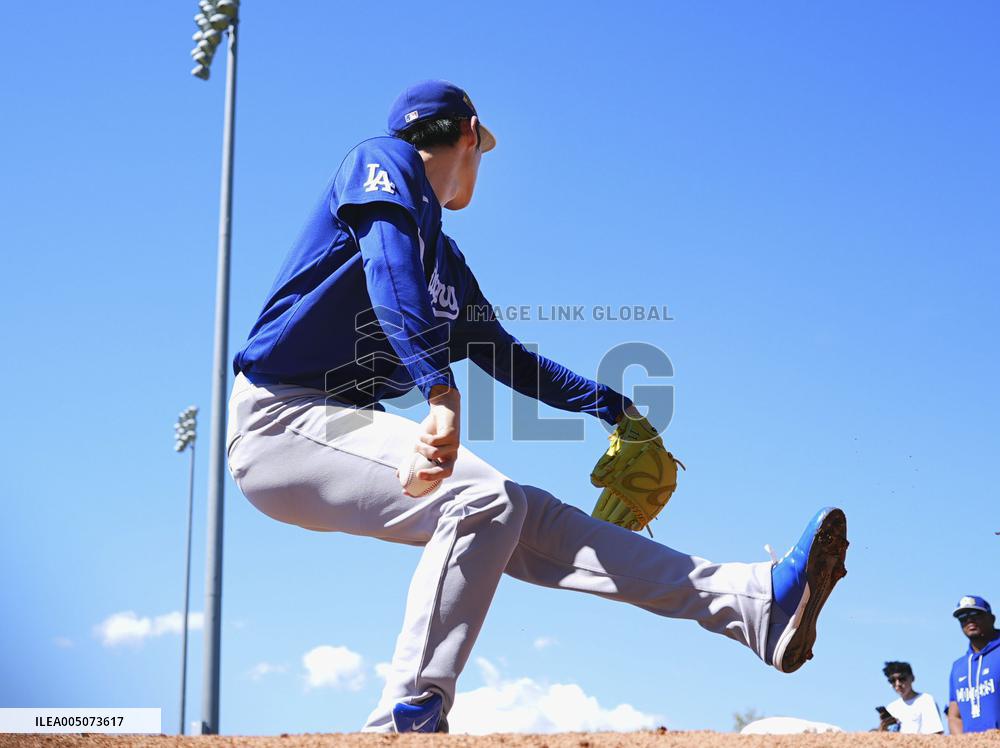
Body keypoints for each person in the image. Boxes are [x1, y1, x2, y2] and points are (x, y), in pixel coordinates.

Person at [225, 79, 850, 733]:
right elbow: (387, 266)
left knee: (523, 513)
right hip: (280, 419)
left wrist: (612, 408)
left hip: (337, 426)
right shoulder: (382, 161)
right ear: (469, 134)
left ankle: (751, 604)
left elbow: (506, 357)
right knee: (482, 500)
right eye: (481, 148)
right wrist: (438, 390)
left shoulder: (447, 260)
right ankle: (410, 713)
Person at [948, 596, 1000, 734]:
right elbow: (955, 716)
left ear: (992, 618)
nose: (969, 620)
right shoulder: (958, 667)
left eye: (976, 615)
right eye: (963, 617)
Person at [875, 661, 943, 734]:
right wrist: (882, 730)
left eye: (902, 679)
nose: (897, 684)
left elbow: (936, 734)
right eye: (892, 680)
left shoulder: (925, 700)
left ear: (912, 678)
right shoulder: (891, 708)